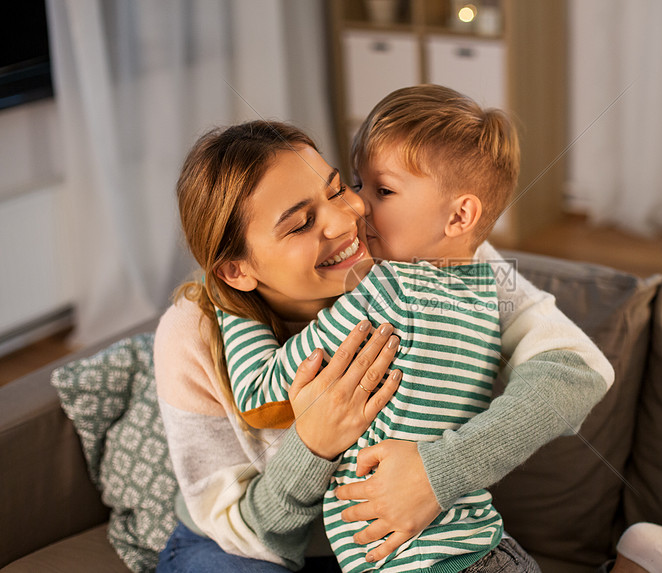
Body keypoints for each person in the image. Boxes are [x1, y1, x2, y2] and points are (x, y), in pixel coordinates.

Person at [155, 112, 614, 573]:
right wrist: (313, 445)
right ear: (237, 270)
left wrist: (438, 472)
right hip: (242, 543)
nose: (346, 221)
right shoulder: (190, 333)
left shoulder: (426, 252)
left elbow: (576, 370)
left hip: (405, 541)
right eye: (300, 223)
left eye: (337, 189)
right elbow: (249, 528)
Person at [215, 85, 544, 572]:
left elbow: (258, 393)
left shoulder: (389, 292)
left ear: (460, 215)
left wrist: (230, 302)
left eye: (383, 190)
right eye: (357, 183)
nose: (360, 207)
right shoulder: (485, 290)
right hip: (487, 548)